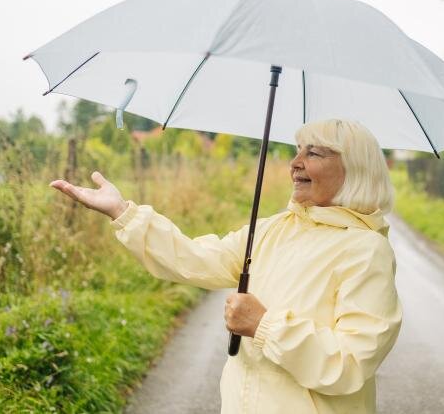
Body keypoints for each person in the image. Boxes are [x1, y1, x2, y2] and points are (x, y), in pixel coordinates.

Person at [50, 119, 403, 414]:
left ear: (353, 167)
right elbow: (194, 259)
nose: (295, 163)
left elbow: (351, 363)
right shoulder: (272, 229)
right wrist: (123, 212)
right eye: (297, 150)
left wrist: (264, 325)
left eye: (313, 152)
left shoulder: (366, 250)